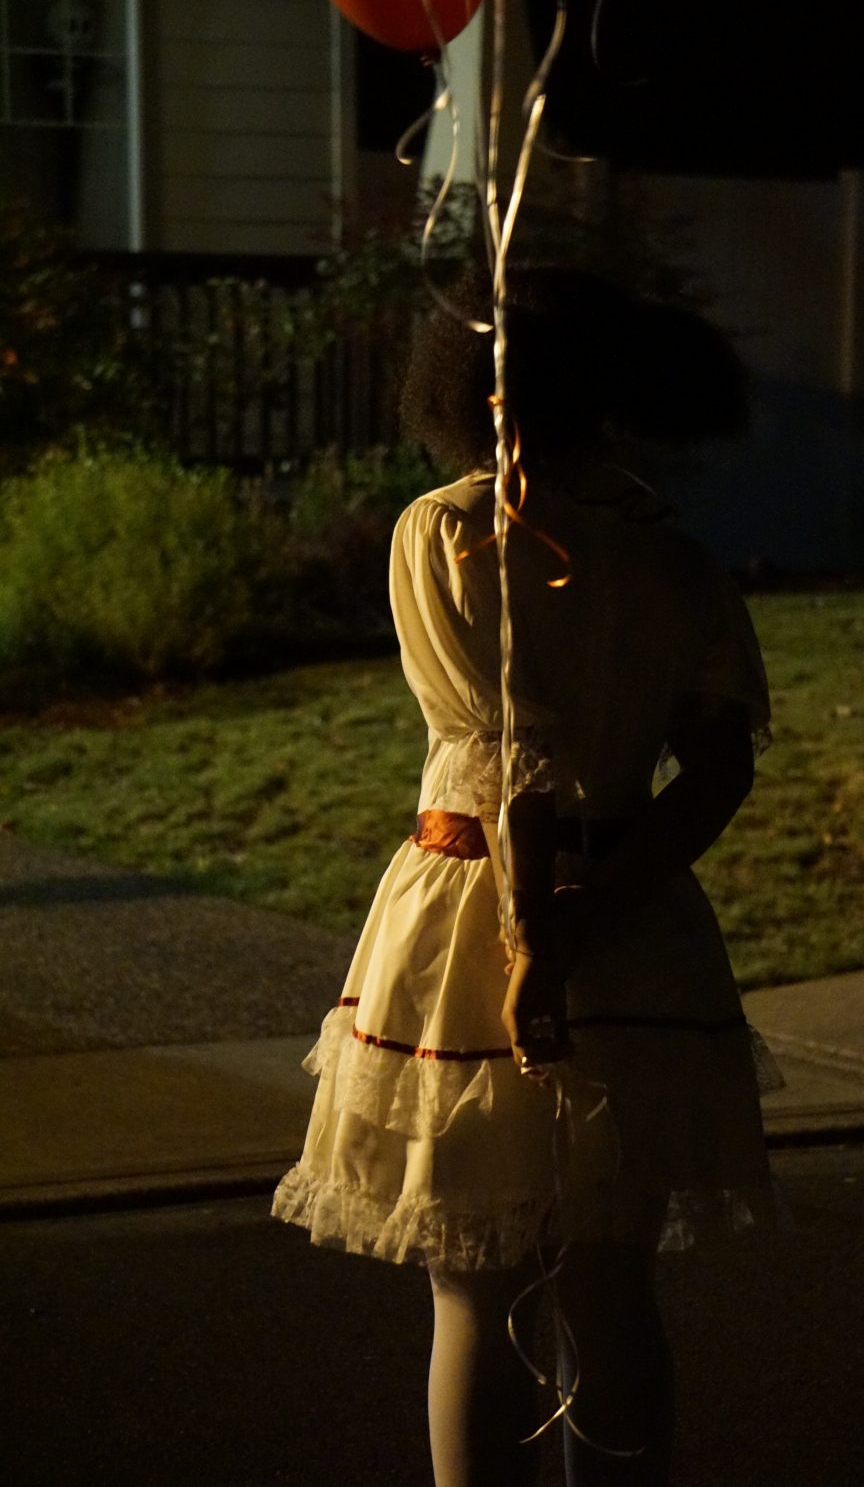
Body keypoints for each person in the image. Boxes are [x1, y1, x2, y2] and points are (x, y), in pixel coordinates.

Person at [272, 268, 783, 1487]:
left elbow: (506, 760)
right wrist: (598, 910)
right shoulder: (675, 560)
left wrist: (539, 944)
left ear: (470, 387)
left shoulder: (446, 533)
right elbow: (715, 770)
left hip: (470, 926)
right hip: (638, 925)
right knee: (611, 1289)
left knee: (473, 1287)